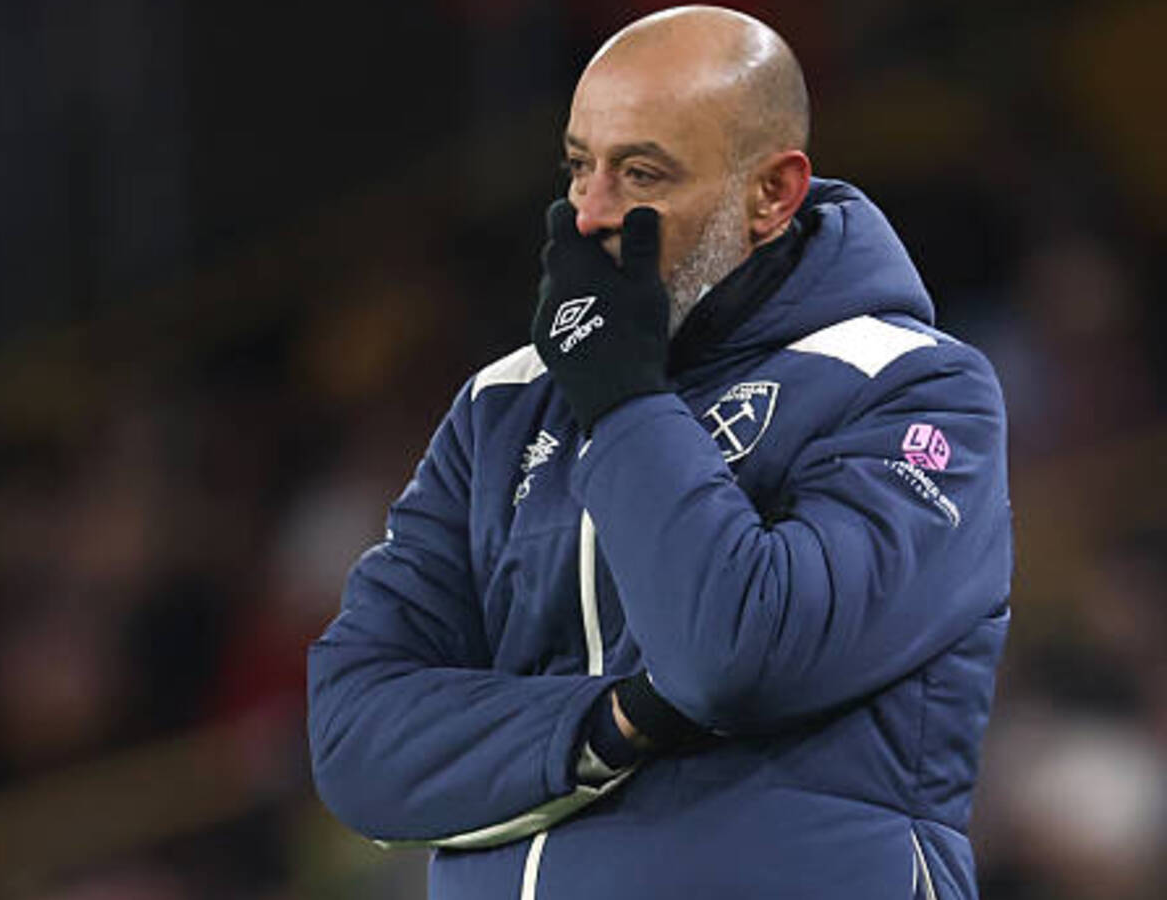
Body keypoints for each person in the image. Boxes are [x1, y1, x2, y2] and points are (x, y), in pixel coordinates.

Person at [307, 5, 1012, 899]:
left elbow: (736, 655)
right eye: (579, 167)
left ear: (773, 194)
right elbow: (354, 738)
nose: (590, 214)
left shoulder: (912, 387)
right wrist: (611, 723)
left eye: (640, 174)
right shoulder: (503, 404)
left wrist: (622, 397)